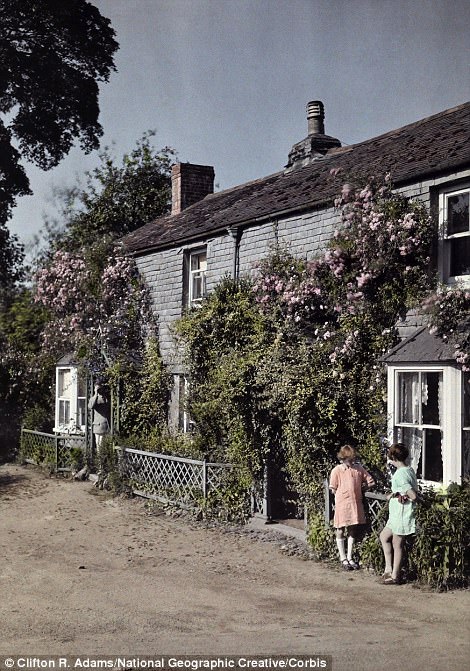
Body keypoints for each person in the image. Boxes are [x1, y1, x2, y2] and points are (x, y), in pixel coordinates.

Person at [329, 444, 375, 570]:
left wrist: (363, 488)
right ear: (343, 458)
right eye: (350, 459)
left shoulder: (358, 469)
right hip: (342, 504)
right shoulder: (337, 470)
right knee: (340, 528)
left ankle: (349, 557)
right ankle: (342, 557)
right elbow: (333, 488)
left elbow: (371, 481)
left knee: (352, 529)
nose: (352, 462)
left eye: (353, 459)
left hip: (355, 503)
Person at [379, 442, 418, 585]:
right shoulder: (408, 470)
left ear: (394, 458)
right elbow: (404, 489)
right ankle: (388, 568)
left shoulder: (401, 474)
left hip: (402, 512)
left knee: (397, 543)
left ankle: (395, 576)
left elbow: (413, 495)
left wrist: (404, 496)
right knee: (384, 536)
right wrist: (394, 494)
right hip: (395, 513)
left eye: (390, 457)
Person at [88, 381, 110, 452]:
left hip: (105, 425)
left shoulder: (105, 398)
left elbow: (107, 404)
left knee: (102, 445)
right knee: (98, 445)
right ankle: (100, 461)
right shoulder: (93, 398)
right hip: (97, 425)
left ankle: (102, 461)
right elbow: (91, 406)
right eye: (97, 388)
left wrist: (101, 394)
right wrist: (96, 394)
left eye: (100, 389)